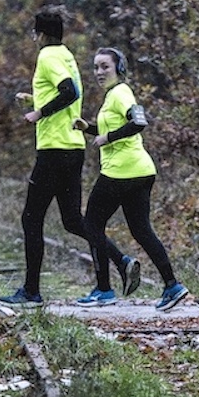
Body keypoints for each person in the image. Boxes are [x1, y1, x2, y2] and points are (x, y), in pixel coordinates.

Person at [1, 6, 136, 308]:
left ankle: (31, 292)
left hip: (54, 150)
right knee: (73, 220)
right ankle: (121, 259)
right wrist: (35, 98)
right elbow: (65, 93)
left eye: (34, 32)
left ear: (41, 33)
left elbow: (70, 92)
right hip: (73, 148)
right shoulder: (66, 56)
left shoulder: (47, 56)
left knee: (31, 218)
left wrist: (39, 112)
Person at [75, 47, 188, 312]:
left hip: (121, 171)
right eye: (96, 67)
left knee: (91, 223)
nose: (99, 72)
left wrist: (108, 138)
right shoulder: (113, 95)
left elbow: (139, 122)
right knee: (141, 230)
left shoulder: (121, 92)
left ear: (119, 68)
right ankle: (172, 285)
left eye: (105, 66)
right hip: (140, 171)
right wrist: (89, 128)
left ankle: (104, 289)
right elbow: (114, 128)